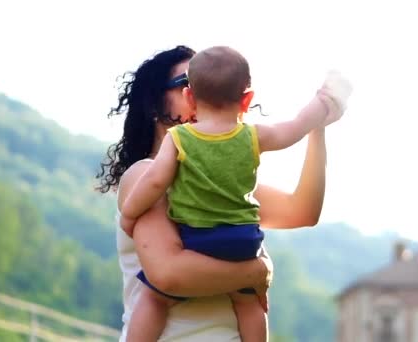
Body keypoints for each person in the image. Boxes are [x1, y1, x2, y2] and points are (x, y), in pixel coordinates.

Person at [97, 45, 345, 341]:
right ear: (154, 103)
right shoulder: (143, 175)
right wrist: (255, 272)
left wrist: (317, 130)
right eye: (188, 83)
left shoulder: (218, 186)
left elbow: (302, 211)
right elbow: (169, 274)